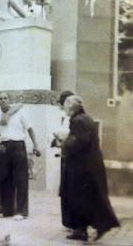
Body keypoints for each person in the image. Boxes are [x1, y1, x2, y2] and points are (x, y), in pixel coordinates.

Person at [61, 95, 120, 241]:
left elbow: (80, 141)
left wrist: (64, 142)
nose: (65, 109)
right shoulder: (86, 118)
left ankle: (89, 229)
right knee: (87, 199)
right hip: (90, 165)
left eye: (66, 106)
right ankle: (87, 228)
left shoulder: (77, 120)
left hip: (82, 168)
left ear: (72, 107)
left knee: (79, 198)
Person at [0, 91, 41, 220]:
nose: (3, 100)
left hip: (18, 146)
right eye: (1, 98)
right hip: (4, 147)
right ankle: (7, 210)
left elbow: (30, 129)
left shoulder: (20, 113)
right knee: (5, 179)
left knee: (21, 179)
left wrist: (35, 144)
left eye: (5, 98)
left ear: (9, 99)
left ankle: (21, 211)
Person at [51, 90, 74, 230]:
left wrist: (61, 138)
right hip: (64, 154)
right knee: (64, 189)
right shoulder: (63, 117)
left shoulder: (74, 119)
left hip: (71, 156)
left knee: (70, 188)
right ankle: (67, 221)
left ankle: (72, 222)